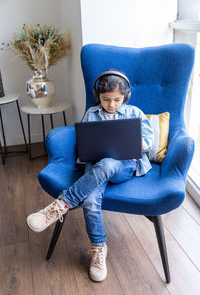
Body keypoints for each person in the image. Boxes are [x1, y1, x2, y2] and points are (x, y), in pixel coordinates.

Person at [27, 70, 154, 282]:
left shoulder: (134, 113)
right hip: (96, 166)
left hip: (124, 166)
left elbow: (150, 140)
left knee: (109, 164)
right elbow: (83, 142)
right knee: (90, 200)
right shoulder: (92, 114)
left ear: (126, 96)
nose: (111, 104)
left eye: (117, 100)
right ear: (99, 97)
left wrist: (141, 142)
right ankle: (98, 247)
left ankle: (60, 205)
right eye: (106, 99)